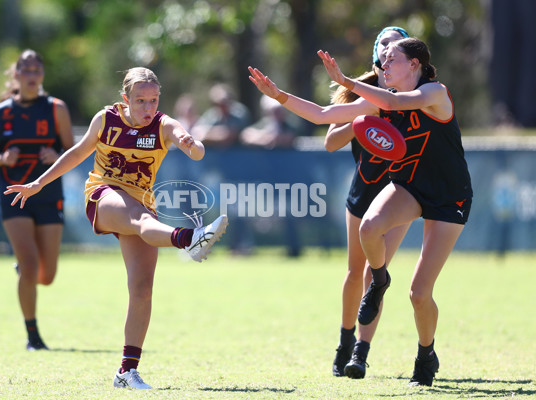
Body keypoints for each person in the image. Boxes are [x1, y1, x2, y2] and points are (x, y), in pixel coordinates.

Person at [249, 37, 472, 387]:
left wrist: (347, 82)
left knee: (419, 292)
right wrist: (277, 94)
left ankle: (426, 353)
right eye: (381, 59)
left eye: (392, 59)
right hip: (410, 187)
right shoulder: (379, 103)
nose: (383, 65)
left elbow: (398, 102)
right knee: (369, 226)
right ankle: (380, 280)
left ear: (414, 65)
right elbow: (323, 116)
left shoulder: (434, 93)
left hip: (449, 196)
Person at [4, 67, 229, 389]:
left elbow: (192, 145)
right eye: (140, 101)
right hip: (103, 194)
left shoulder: (163, 124)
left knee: (142, 289)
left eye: (153, 100)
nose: (148, 108)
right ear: (126, 99)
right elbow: (78, 152)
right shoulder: (106, 119)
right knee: (142, 221)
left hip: (141, 202)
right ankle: (191, 238)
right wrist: (38, 183)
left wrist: (191, 144)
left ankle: (126, 371)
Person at [326, 27, 411, 380]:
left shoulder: (413, 95)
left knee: (374, 276)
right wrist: (362, 121)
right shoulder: (360, 94)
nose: (390, 54)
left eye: (397, 49)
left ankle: (360, 353)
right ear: (377, 55)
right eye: (385, 48)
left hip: (402, 193)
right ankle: (345, 341)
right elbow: (331, 141)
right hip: (364, 189)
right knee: (353, 272)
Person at [0, 49, 75, 351]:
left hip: (48, 195)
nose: (32, 75)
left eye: (37, 69)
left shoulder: (56, 108)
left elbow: (74, 153)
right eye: (27, 70)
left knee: (46, 276)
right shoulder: (2, 112)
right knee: (31, 263)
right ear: (17, 75)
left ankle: (26, 271)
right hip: (13, 195)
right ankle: (32, 336)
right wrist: (2, 159)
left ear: (42, 74)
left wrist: (56, 155)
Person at [191, 83, 251, 148]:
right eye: (217, 103)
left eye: (224, 102)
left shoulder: (239, 112)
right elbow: (197, 133)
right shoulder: (211, 115)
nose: (221, 106)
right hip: (216, 155)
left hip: (239, 153)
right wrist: (217, 133)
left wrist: (210, 134)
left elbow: (231, 135)